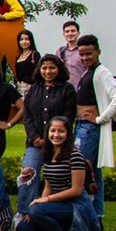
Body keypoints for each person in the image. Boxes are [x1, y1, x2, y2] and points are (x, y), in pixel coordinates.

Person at [16, 117, 99, 231]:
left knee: (36, 211)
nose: (56, 135)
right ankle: (62, 230)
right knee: (23, 230)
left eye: (61, 131)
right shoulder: (49, 154)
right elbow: (48, 187)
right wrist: (39, 206)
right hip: (58, 206)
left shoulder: (75, 156)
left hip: (75, 205)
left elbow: (76, 190)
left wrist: (44, 202)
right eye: (52, 131)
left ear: (68, 134)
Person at [74, 34, 116, 222]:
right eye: (82, 54)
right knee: (94, 172)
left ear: (98, 52)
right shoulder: (89, 71)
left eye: (89, 53)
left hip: (89, 129)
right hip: (83, 126)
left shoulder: (102, 72)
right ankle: (96, 215)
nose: (86, 57)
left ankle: (86, 216)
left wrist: (100, 118)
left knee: (83, 170)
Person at [19, 54, 77, 216]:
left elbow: (68, 118)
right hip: (35, 143)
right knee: (28, 175)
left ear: (59, 69)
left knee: (60, 178)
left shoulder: (67, 89)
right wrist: (35, 138)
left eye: (52, 67)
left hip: (59, 145)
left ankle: (57, 213)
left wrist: (52, 140)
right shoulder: (34, 89)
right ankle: (23, 213)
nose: (48, 71)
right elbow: (27, 116)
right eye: (44, 68)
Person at [55, 21, 85, 90]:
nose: (70, 33)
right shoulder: (60, 51)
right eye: (67, 31)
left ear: (78, 33)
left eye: (73, 31)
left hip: (80, 89)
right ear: (63, 34)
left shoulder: (83, 51)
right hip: (64, 91)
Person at [13, 29, 40, 96]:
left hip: (32, 88)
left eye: (26, 39)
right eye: (21, 39)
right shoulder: (18, 56)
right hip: (19, 88)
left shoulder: (35, 54)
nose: (24, 42)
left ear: (31, 40)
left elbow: (38, 72)